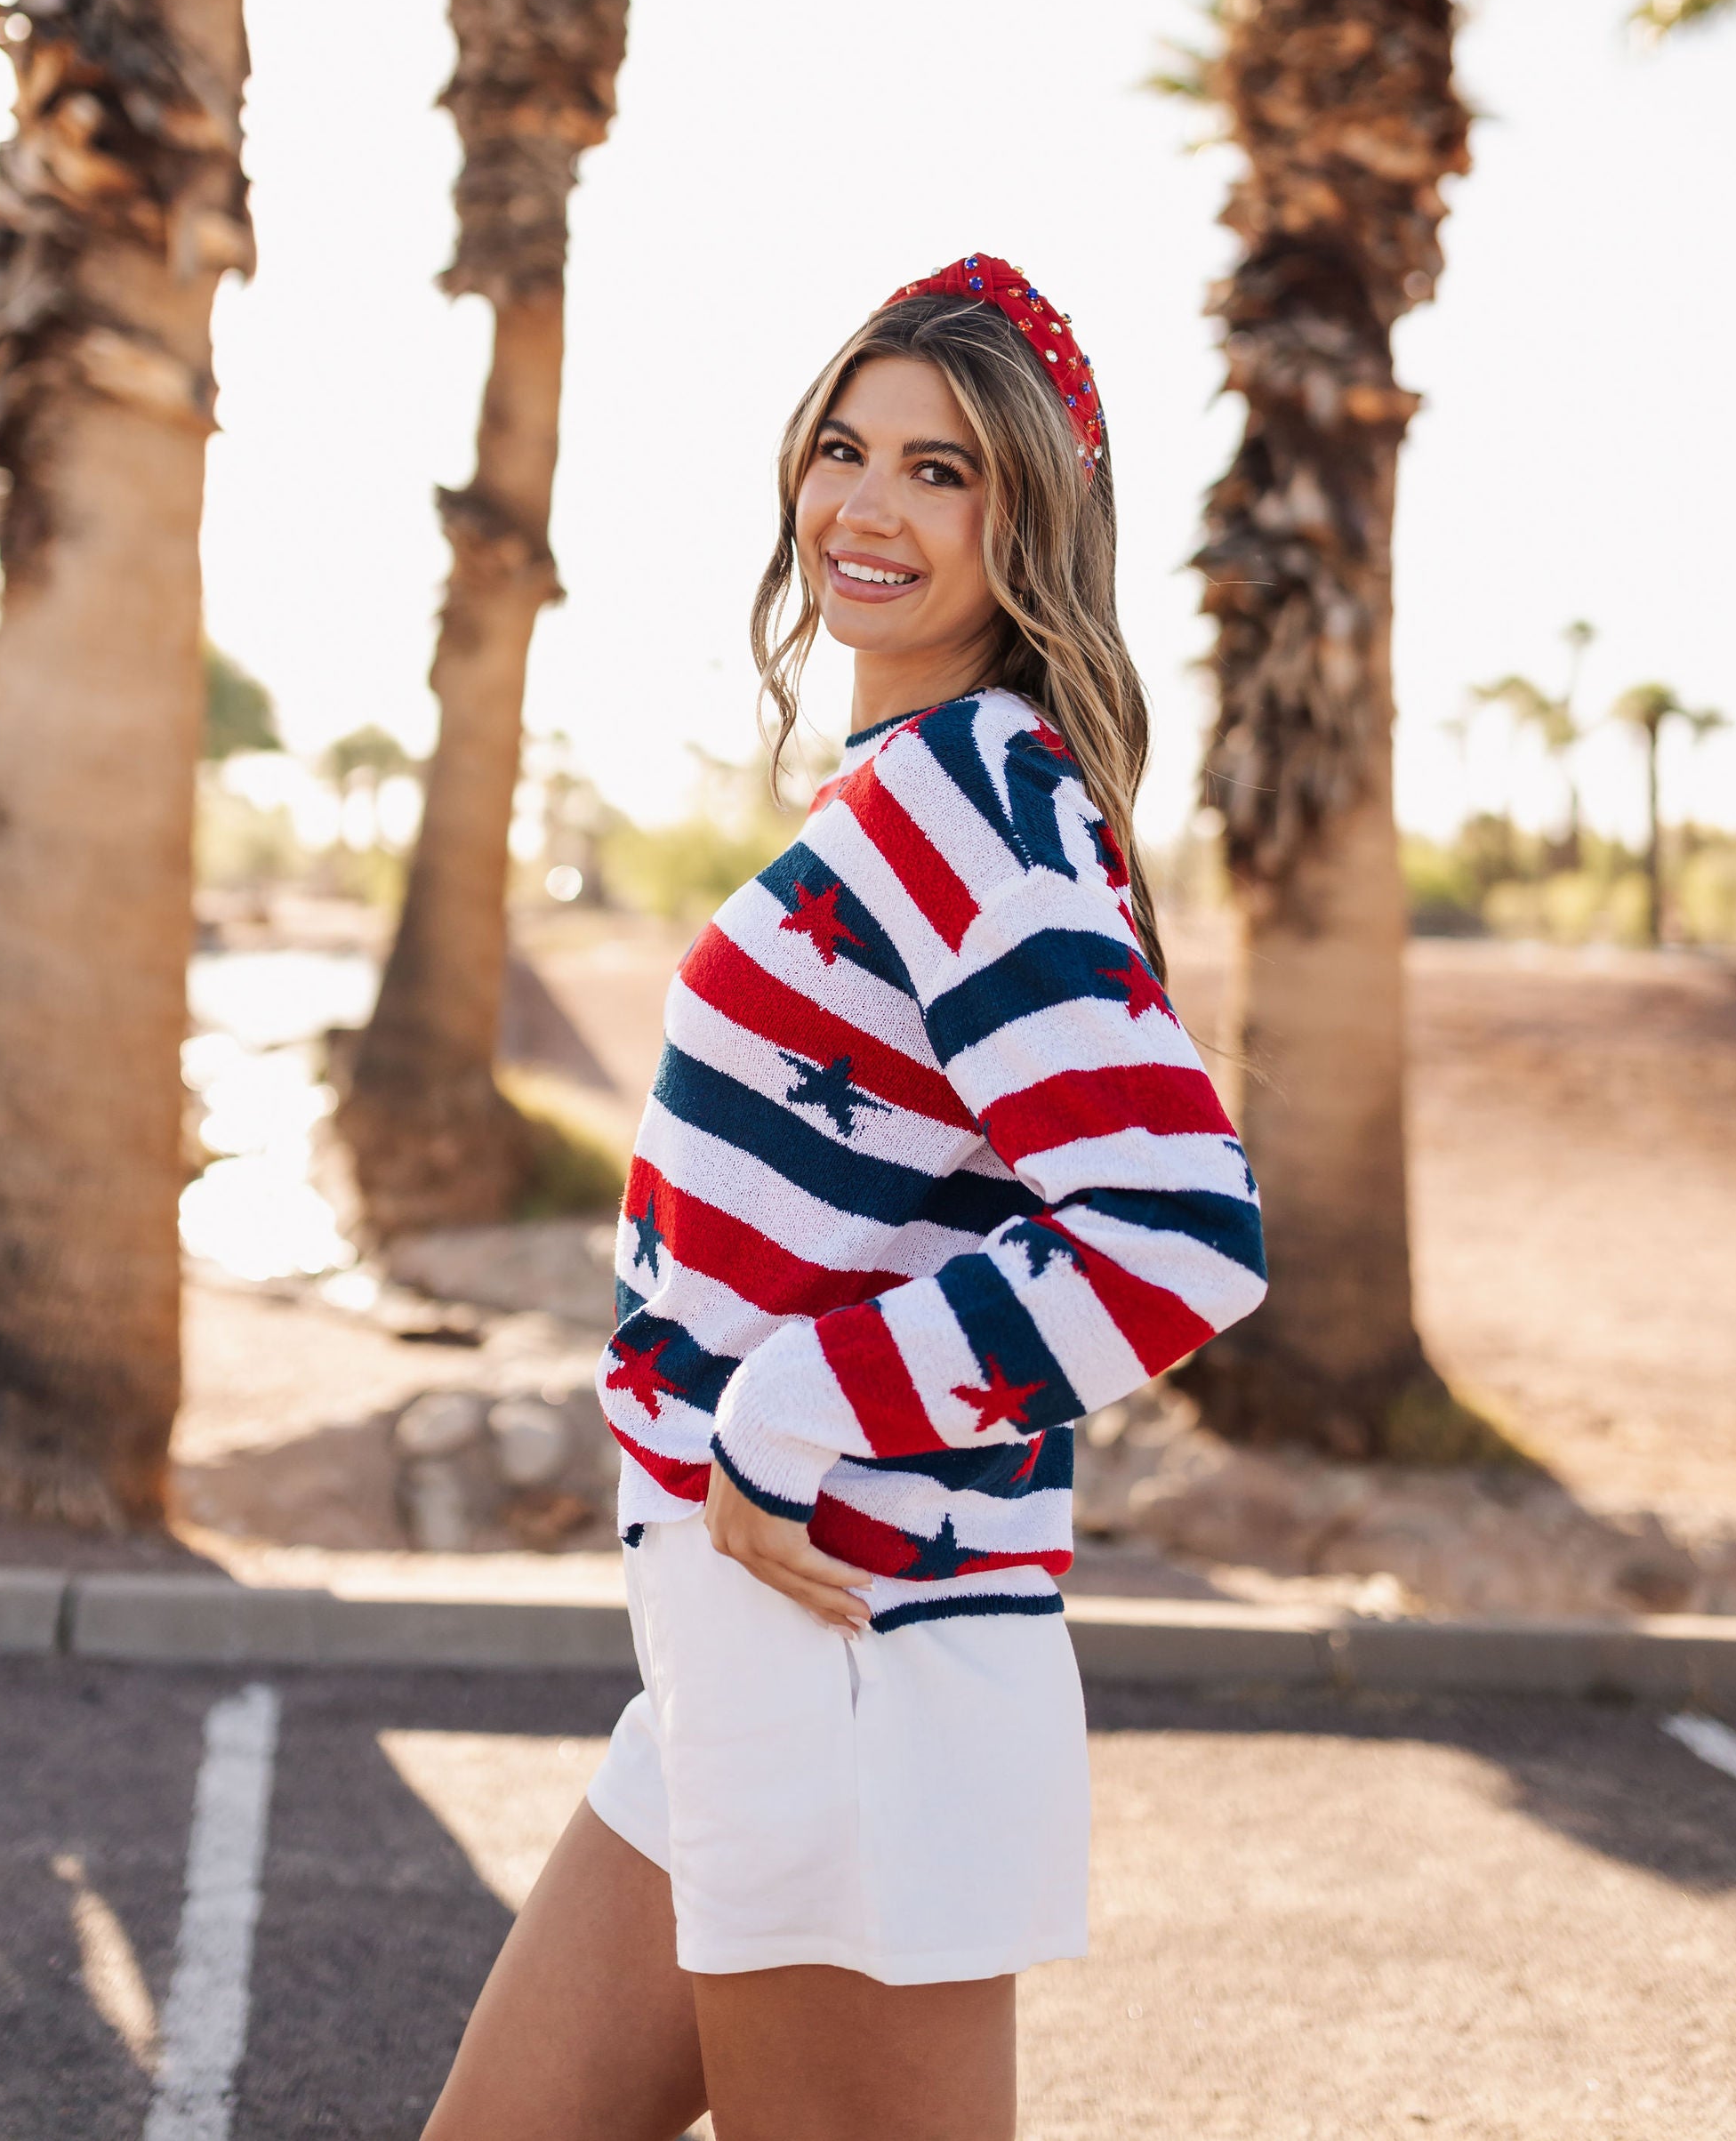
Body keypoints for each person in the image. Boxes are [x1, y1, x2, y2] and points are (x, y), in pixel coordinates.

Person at [420, 255, 1266, 2141]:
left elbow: (1172, 1229)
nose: (867, 508)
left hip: (853, 1661)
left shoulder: (970, 795)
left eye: (943, 471)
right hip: (749, 1655)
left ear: (1031, 513)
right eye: (843, 449)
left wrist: (791, 1421)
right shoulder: (914, 787)